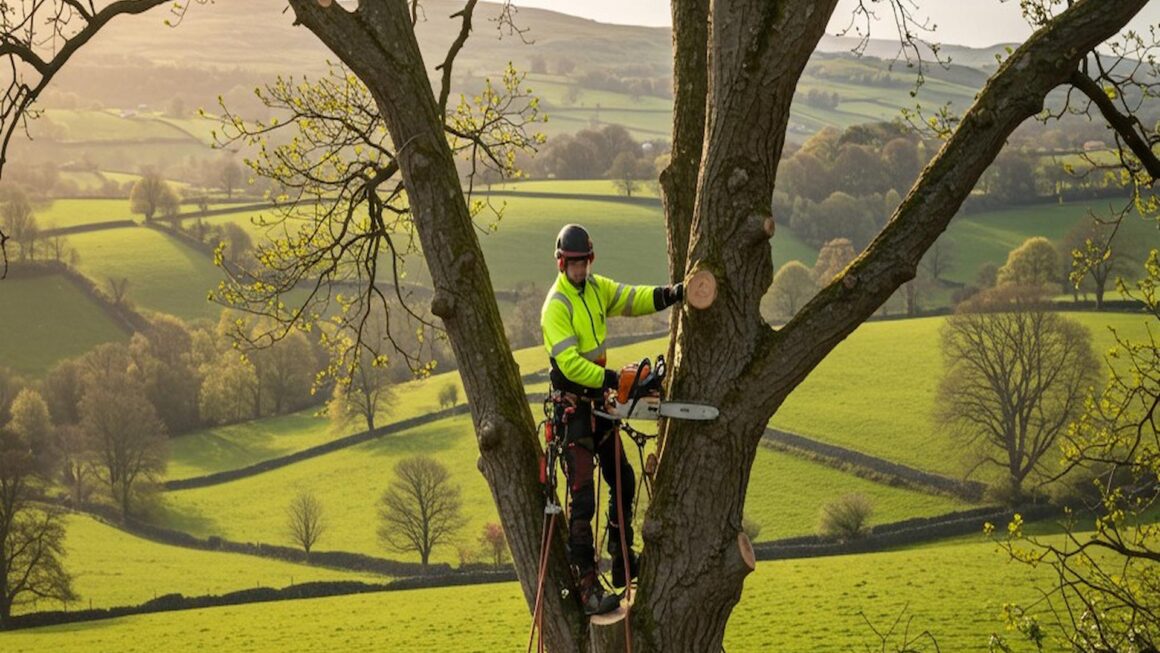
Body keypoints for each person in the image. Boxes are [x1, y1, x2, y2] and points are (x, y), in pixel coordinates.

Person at [540, 223, 683, 615]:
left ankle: (621, 557)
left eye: (584, 263)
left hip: (598, 402)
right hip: (574, 408)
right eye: (574, 265)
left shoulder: (596, 288)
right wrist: (612, 378)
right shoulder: (557, 305)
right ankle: (586, 586)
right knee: (582, 498)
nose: (580, 270)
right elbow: (568, 365)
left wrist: (669, 295)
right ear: (561, 263)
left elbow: (630, 298)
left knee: (623, 476)